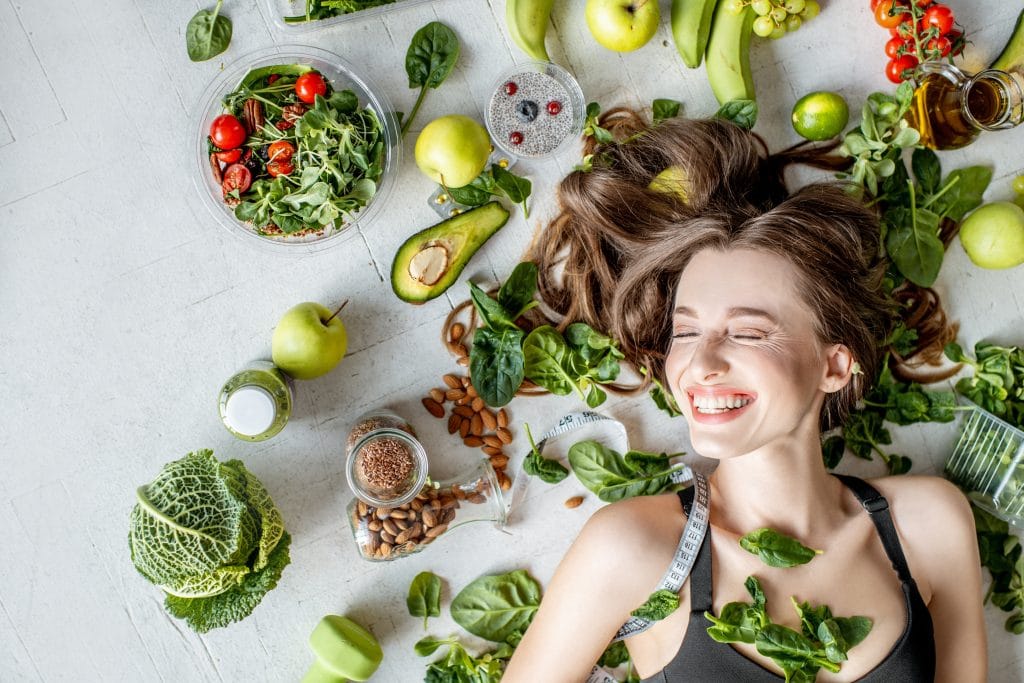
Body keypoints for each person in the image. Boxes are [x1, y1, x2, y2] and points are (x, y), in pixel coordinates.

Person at [504, 118, 986, 682]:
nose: (701, 365)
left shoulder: (930, 523)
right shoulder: (632, 547)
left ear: (834, 365)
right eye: (685, 333)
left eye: (749, 333)